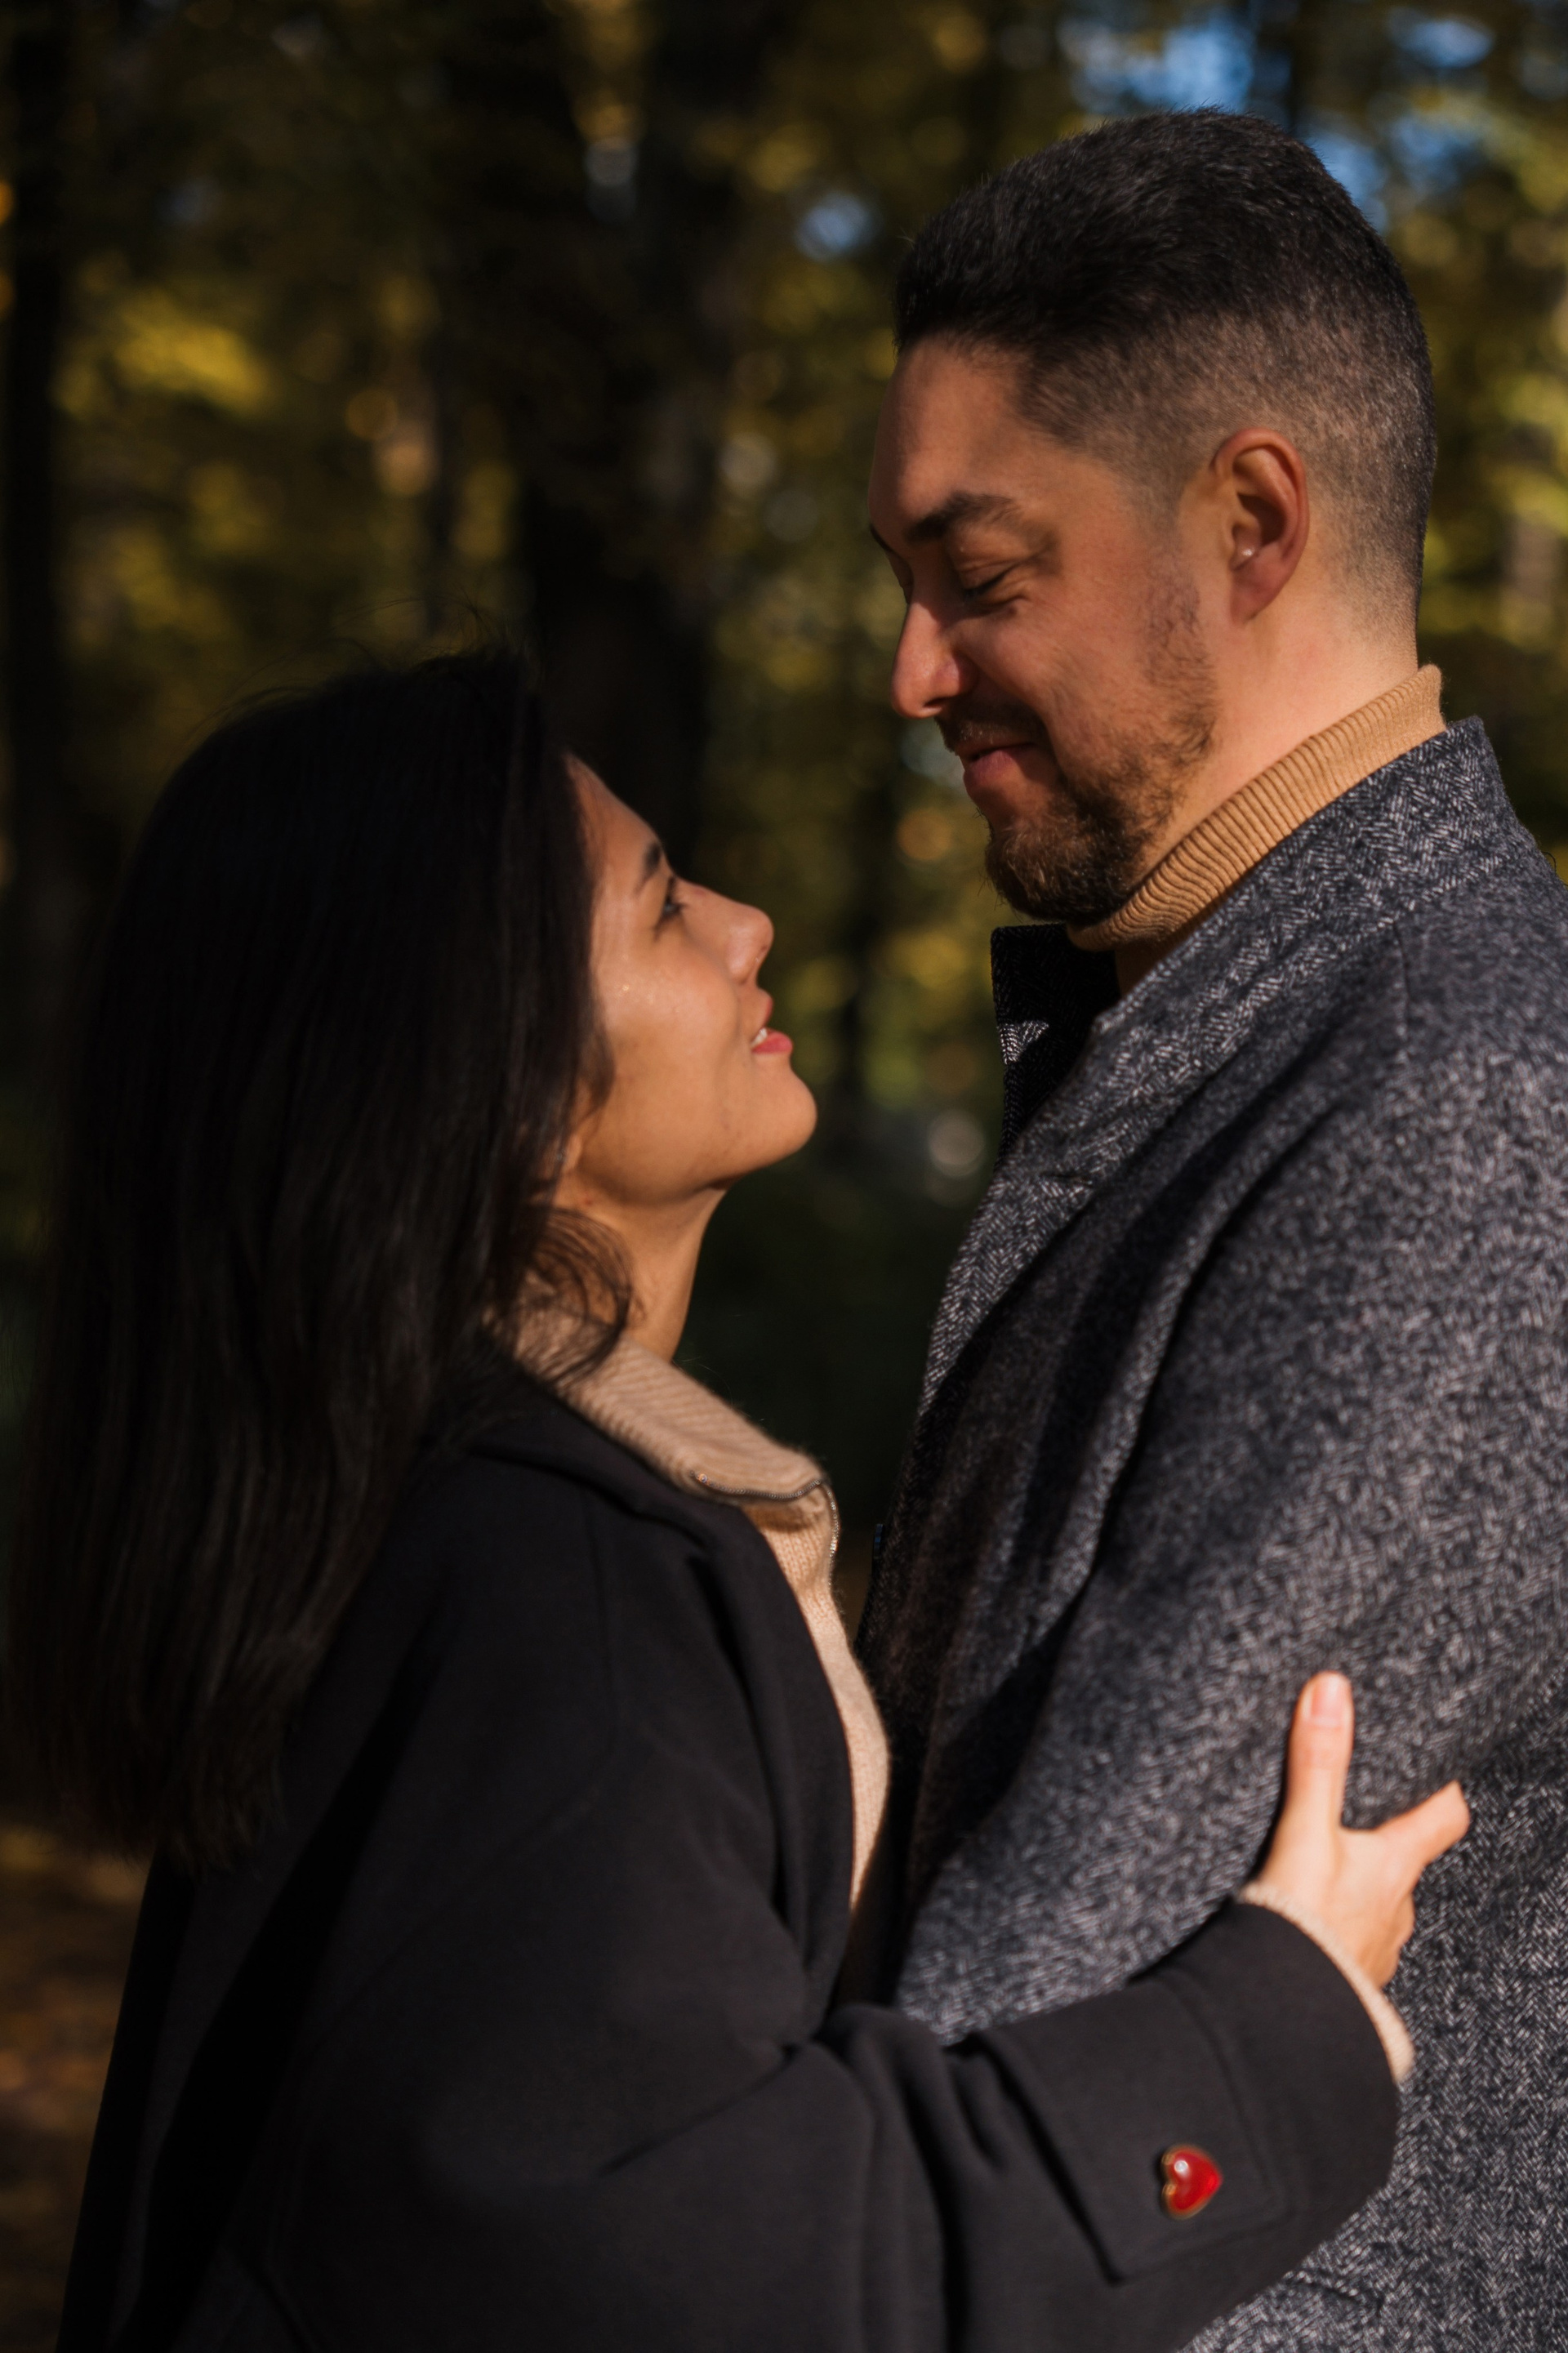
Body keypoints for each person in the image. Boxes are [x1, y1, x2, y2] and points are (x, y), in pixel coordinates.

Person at [5, 655, 1463, 2353]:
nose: (746, 922)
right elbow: (704, 2275)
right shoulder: (554, 1591)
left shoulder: (416, 1513)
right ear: (496, 1079)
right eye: (660, 905)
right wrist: (1264, 2045)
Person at [858, 105, 1566, 2351]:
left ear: (1253, 521)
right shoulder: (1261, 1028)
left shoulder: (1451, 1100)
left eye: (982, 576)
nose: (912, 671)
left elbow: (1035, 2016)